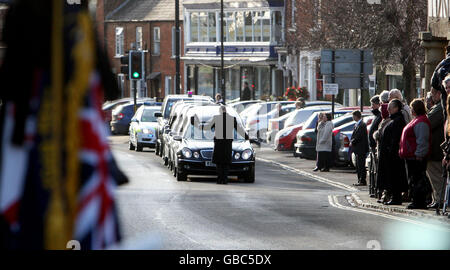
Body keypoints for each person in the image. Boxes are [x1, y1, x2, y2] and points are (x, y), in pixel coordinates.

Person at [399, 99, 432, 209]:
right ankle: (416, 200)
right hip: (411, 156)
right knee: (413, 180)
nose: (411, 109)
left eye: (412, 107)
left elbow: (422, 140)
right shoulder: (417, 120)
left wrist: (419, 154)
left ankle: (419, 202)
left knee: (417, 180)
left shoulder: (421, 121)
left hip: (416, 157)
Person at [203, 105, 248, 184]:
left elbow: (209, 127)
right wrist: (246, 137)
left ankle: (220, 179)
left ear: (220, 111)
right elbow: (239, 129)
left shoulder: (216, 118)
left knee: (219, 162)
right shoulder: (232, 118)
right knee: (226, 162)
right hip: (227, 143)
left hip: (218, 143)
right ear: (226, 111)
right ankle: (225, 179)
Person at [381, 99, 408, 205]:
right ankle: (394, 197)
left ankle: (396, 198)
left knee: (395, 177)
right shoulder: (394, 119)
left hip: (394, 156)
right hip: (391, 154)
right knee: (392, 177)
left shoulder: (398, 120)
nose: (388, 109)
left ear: (396, 108)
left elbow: (395, 138)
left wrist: (390, 150)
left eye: (390, 107)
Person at [426, 87, 445, 209]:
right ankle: (436, 199)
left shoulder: (439, 108)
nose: (432, 96)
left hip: (436, 149)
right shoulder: (438, 107)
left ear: (439, 93)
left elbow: (429, 122)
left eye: (433, 94)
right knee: (433, 178)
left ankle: (440, 200)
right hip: (434, 149)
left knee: (437, 177)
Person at [350, 111, 369, 186]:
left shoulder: (362, 125)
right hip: (357, 148)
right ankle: (359, 180)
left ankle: (362, 180)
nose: (352, 117)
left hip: (361, 149)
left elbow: (359, 136)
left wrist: (352, 141)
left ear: (356, 116)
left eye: (353, 116)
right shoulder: (357, 124)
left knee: (361, 165)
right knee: (358, 166)